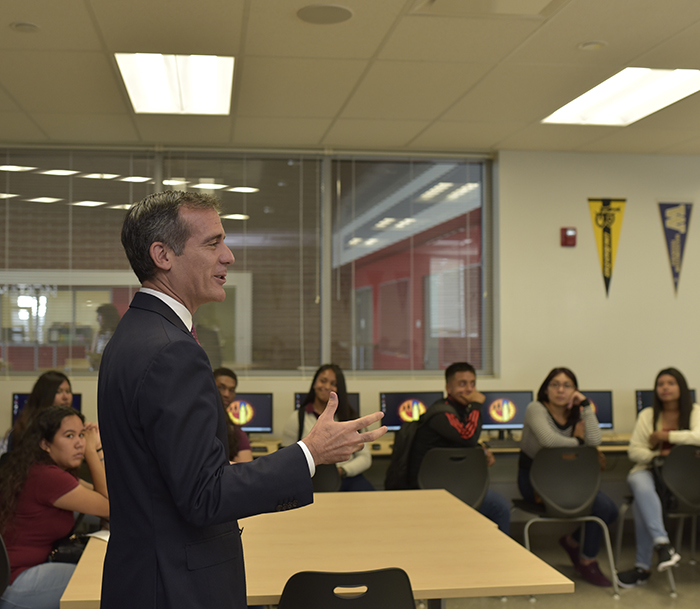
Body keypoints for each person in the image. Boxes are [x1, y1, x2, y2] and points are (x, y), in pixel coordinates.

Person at [97, 190, 386, 609]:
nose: (229, 256)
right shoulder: (171, 351)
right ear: (162, 254)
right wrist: (310, 452)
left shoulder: (132, 334)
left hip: (144, 576)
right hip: (176, 587)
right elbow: (204, 495)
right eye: (213, 242)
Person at [0, 406, 109, 609]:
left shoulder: (45, 470)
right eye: (69, 436)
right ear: (45, 444)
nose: (79, 443)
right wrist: (92, 452)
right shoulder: (48, 477)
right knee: (104, 580)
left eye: (81, 435)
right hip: (16, 581)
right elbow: (109, 506)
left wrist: (97, 449)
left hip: (24, 571)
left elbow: (100, 495)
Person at [518, 367, 618, 587]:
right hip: (536, 483)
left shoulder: (577, 413)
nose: (560, 390)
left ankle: (577, 547)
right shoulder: (535, 408)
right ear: (546, 389)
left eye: (567, 385)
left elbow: (595, 440)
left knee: (609, 510)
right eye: (554, 384)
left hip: (570, 481)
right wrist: (579, 443)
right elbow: (549, 441)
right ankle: (587, 560)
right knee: (600, 507)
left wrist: (585, 406)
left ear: (575, 390)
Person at [616, 367, 700, 588]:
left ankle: (642, 568)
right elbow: (635, 451)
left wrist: (665, 436)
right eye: (661, 384)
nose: (665, 387)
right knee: (637, 481)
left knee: (642, 503)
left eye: (670, 383)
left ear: (681, 387)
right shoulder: (648, 415)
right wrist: (657, 455)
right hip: (654, 473)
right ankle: (663, 545)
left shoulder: (695, 411)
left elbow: (699, 436)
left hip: (687, 479)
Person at [407, 362, 511, 534]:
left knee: (500, 506)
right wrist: (477, 405)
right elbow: (467, 437)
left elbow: (459, 440)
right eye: (462, 384)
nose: (469, 390)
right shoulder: (442, 413)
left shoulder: (459, 411)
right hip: (434, 489)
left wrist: (482, 449)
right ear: (448, 387)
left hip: (455, 482)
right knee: (499, 508)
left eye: (472, 384)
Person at [281, 364, 373, 491]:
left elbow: (365, 458)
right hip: (311, 479)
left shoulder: (350, 418)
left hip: (347, 478)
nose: (326, 387)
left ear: (339, 389)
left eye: (333, 383)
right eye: (323, 381)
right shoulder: (297, 418)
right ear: (314, 384)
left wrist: (341, 472)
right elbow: (286, 459)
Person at [4, 371, 74, 454]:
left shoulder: (72, 425)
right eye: (58, 392)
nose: (66, 397)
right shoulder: (29, 429)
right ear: (45, 396)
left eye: (68, 391)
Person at [213, 367, 253, 463]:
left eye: (231, 390)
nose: (226, 394)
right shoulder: (196, 420)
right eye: (221, 388)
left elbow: (244, 470)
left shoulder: (235, 432)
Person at [87, 304, 120, 370]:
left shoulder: (119, 333)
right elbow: (93, 353)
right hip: (100, 369)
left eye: (99, 315)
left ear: (107, 317)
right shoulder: (98, 334)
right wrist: (92, 357)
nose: (97, 319)